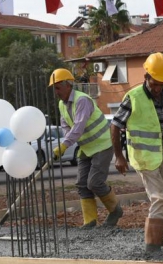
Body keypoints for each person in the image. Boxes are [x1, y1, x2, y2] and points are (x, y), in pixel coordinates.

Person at [110, 52, 163, 252]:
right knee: (159, 198)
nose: (157, 88)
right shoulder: (133, 97)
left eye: (161, 84)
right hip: (143, 156)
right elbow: (115, 125)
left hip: (162, 151)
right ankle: (152, 247)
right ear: (146, 77)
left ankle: (158, 235)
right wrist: (119, 156)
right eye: (154, 83)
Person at [49, 68, 122, 229]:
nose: (56, 92)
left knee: (95, 182)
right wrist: (68, 139)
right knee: (82, 184)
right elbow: (66, 126)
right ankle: (90, 220)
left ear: (68, 85)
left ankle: (115, 211)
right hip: (86, 147)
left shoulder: (82, 100)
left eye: (58, 87)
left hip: (102, 144)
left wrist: (64, 145)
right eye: (54, 88)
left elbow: (79, 126)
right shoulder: (62, 104)